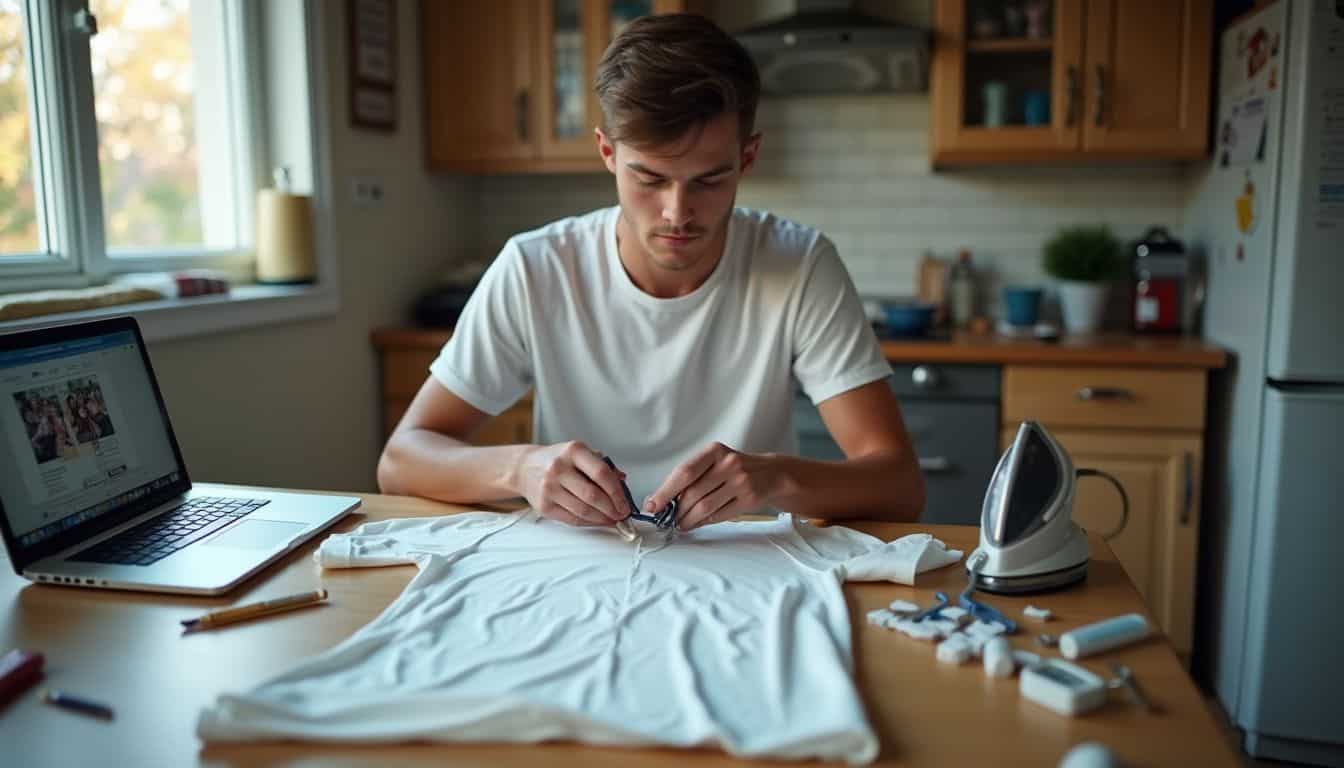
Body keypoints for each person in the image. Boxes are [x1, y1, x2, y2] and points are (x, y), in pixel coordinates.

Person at [378, 13, 924, 531]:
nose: (677, 213)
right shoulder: (536, 267)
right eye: (650, 178)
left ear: (748, 157)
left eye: (709, 181)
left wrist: (774, 476)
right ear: (607, 152)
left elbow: (900, 485)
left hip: (744, 569)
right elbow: (402, 459)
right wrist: (519, 468)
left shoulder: (801, 265)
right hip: (575, 571)